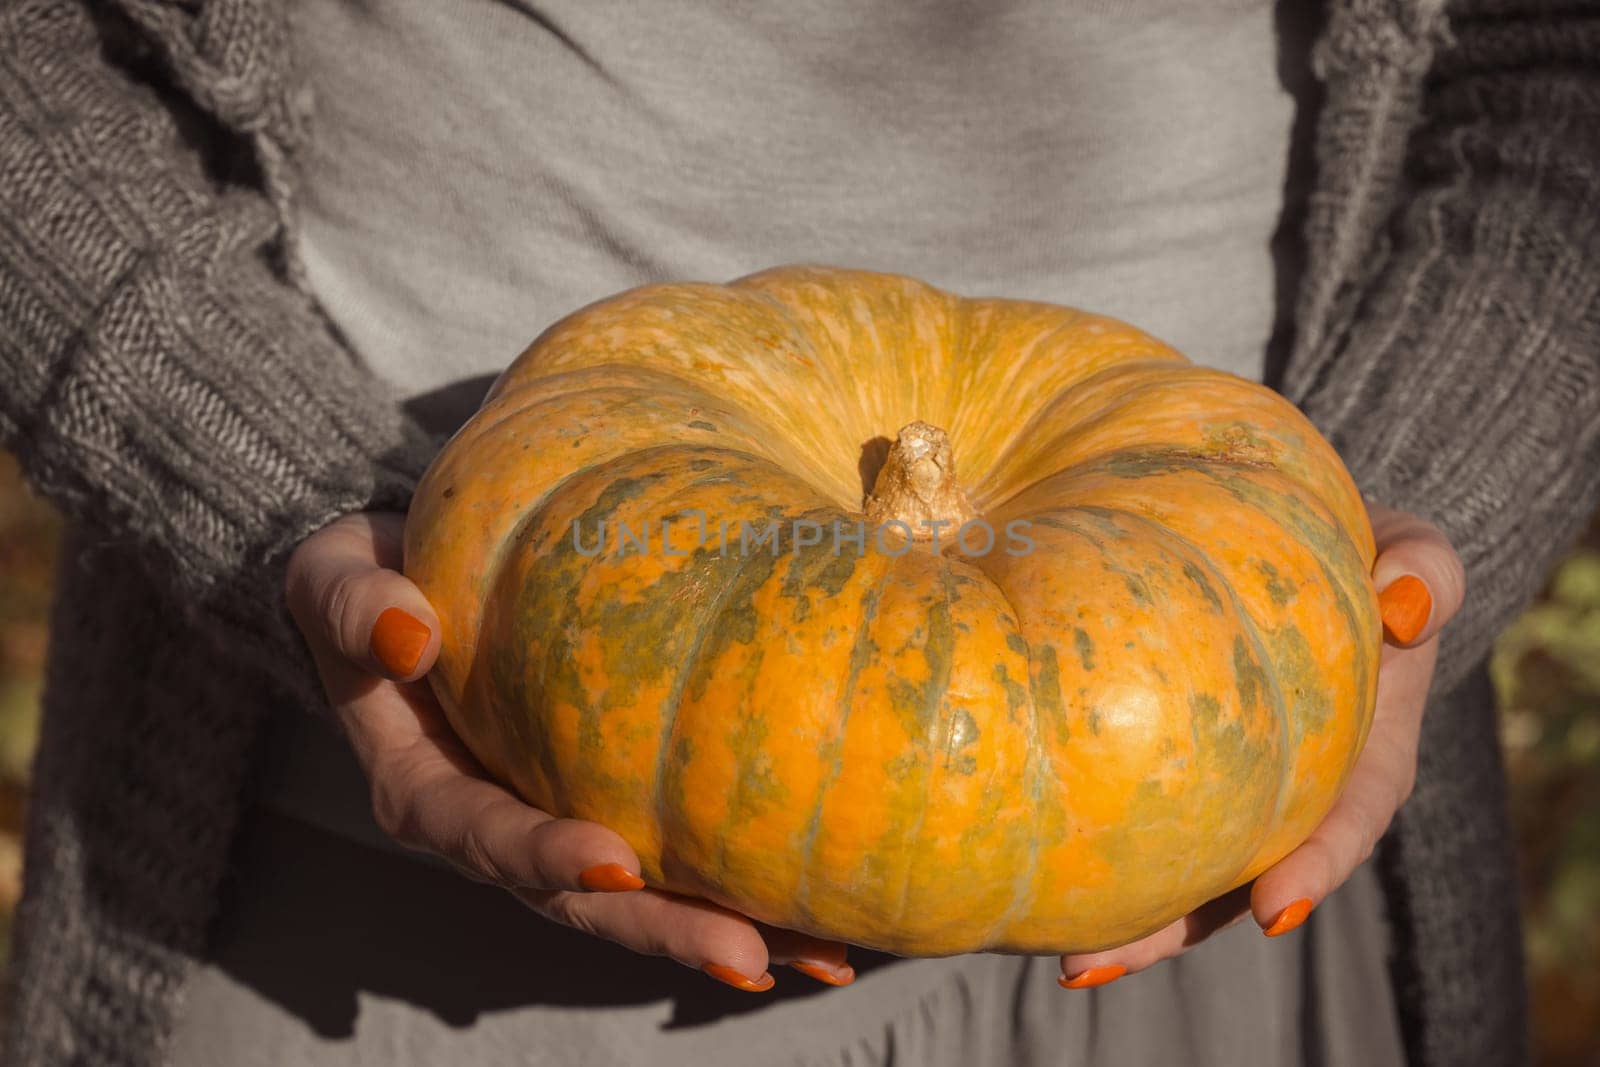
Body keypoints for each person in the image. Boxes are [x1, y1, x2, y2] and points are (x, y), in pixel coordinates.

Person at [1, 0, 1594, 1063]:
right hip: (374, 872)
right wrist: (258, 473)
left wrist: (1350, 557)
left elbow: (1556, 63)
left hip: (1232, 848)